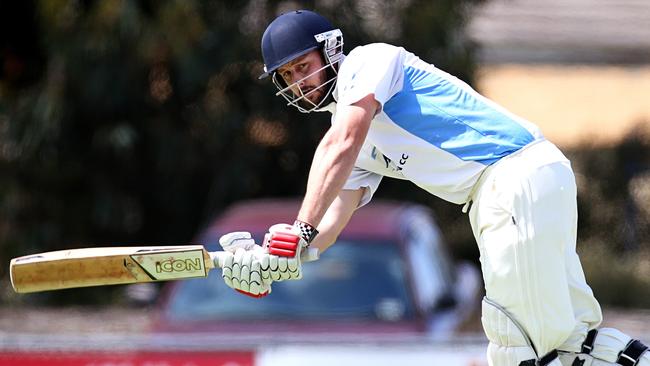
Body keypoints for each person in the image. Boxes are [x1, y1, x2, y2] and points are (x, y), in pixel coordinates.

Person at [217, 9, 649, 366]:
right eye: (288, 75)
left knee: (520, 345)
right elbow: (330, 225)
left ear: (330, 49)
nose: (299, 82)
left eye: (303, 67)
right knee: (573, 340)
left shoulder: (369, 63)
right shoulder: (354, 141)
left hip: (510, 177)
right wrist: (278, 260)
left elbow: (340, 143)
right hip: (526, 181)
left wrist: (300, 228)